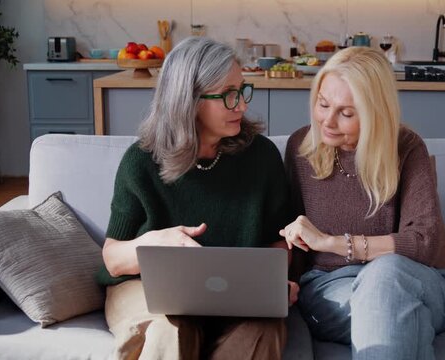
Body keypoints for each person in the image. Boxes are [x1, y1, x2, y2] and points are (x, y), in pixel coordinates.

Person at [97, 36, 297, 360]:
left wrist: (269, 284)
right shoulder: (141, 162)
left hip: (237, 297)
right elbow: (113, 259)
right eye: (229, 95)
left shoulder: (261, 157)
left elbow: (280, 242)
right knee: (169, 330)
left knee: (267, 329)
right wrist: (154, 243)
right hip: (146, 290)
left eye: (242, 90)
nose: (242, 105)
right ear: (188, 101)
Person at [280, 47, 445, 359]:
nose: (328, 122)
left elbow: (423, 242)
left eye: (346, 113)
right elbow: (292, 240)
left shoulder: (407, 148)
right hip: (331, 290)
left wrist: (333, 243)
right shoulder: (299, 148)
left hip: (419, 282)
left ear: (376, 113)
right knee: (395, 311)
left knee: (385, 276)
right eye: (323, 104)